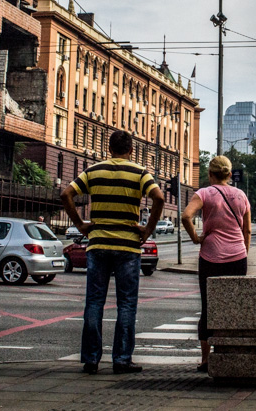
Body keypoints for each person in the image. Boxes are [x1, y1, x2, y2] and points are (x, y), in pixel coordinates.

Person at [61, 131, 165, 375]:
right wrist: (148, 229)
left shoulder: (93, 171)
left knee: (94, 302)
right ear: (131, 150)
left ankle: (91, 359)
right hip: (128, 247)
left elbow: (66, 194)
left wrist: (80, 225)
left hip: (98, 246)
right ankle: (121, 359)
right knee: (126, 304)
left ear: (109, 149)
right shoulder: (140, 173)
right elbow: (159, 197)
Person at [181, 156, 251, 372]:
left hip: (210, 256)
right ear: (230, 175)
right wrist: (243, 252)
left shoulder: (204, 193)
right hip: (237, 257)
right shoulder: (241, 195)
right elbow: (247, 230)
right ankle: (231, 355)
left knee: (208, 307)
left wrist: (195, 237)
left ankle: (206, 359)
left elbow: (186, 216)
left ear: (210, 175)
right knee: (234, 307)